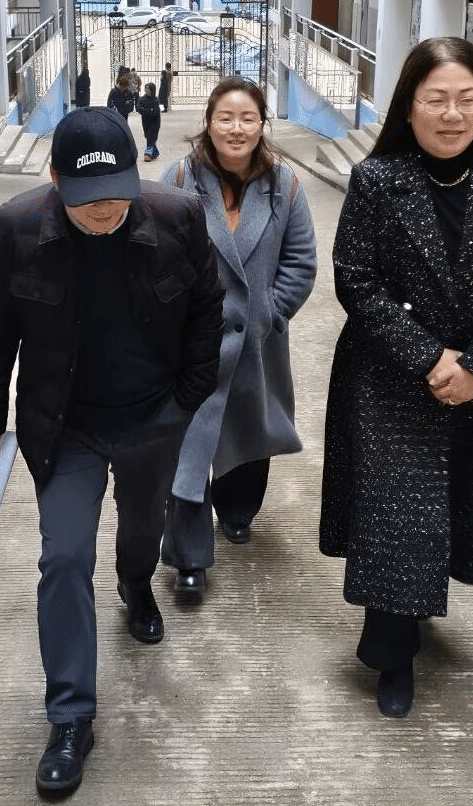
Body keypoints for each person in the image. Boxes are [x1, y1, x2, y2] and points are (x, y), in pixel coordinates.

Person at [0, 107, 223, 795]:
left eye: (116, 195)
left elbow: (208, 308)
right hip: (64, 426)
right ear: (55, 181)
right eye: (87, 201)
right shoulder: (16, 227)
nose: (104, 211)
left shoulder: (177, 217)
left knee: (143, 526)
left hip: (153, 418)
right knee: (64, 554)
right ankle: (71, 716)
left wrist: (187, 398)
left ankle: (135, 583)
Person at [320, 36, 473, 719]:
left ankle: (417, 611)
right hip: (389, 375)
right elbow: (355, 279)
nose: (453, 115)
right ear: (408, 105)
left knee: (451, 504)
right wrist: (428, 357)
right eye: (436, 100)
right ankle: (391, 655)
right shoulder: (376, 179)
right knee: (399, 515)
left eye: (467, 99)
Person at [160, 78, 316, 595]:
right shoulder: (179, 177)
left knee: (248, 425)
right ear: (208, 122)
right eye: (225, 117)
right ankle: (188, 555)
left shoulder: (284, 185)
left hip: (255, 337)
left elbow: (301, 261)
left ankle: (238, 509)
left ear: (261, 124)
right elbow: (152, 250)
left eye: (248, 118)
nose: (236, 128)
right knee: (188, 443)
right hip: (193, 340)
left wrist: (270, 311)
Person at [135, 87, 162, 160]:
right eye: (146, 88)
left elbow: (155, 112)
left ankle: (148, 154)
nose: (146, 90)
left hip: (154, 121)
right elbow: (138, 108)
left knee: (151, 136)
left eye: (148, 88)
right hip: (146, 121)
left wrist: (145, 111)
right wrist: (149, 110)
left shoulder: (155, 100)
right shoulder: (142, 99)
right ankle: (155, 152)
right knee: (148, 135)